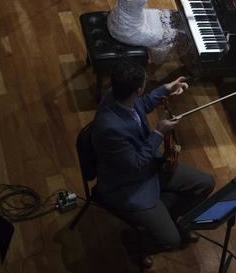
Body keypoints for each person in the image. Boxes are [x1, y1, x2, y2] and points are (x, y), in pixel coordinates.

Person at [92, 58, 215, 265]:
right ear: (137, 89)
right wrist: (158, 132)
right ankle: (137, 244)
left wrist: (166, 89)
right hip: (129, 186)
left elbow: (143, 103)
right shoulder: (110, 129)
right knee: (171, 241)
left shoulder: (118, 96)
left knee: (206, 183)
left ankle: (170, 219)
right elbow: (135, 164)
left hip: (149, 167)